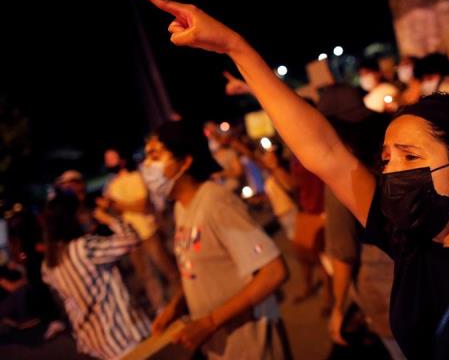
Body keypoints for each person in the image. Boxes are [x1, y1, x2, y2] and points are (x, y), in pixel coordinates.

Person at [138, 0, 449, 359]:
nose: (393, 173)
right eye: (386, 160)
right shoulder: (411, 238)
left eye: (411, 158)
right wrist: (234, 47)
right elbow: (325, 152)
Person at [146, 120, 290, 359]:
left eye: (155, 155)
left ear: (185, 162)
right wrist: (179, 303)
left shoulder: (216, 202)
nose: (147, 165)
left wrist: (210, 322)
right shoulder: (181, 208)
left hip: (252, 347)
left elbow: (274, 271)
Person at [41, 189, 150, 359]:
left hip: (93, 342)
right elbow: (131, 239)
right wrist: (107, 217)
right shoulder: (84, 247)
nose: (88, 215)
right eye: (83, 211)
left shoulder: (49, 263)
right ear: (72, 218)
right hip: (120, 338)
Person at [101, 148, 180, 313]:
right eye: (106, 159)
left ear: (121, 159)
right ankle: (160, 307)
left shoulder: (136, 177)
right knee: (146, 275)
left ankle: (180, 299)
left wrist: (117, 204)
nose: (109, 162)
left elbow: (142, 205)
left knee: (167, 267)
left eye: (112, 158)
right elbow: (114, 210)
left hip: (147, 230)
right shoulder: (111, 186)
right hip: (130, 236)